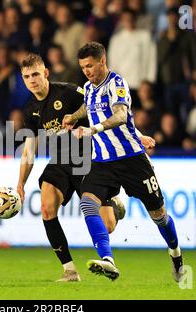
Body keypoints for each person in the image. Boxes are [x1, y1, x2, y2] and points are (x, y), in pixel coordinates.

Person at [17, 53, 155, 282]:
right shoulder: (30, 109)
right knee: (47, 207)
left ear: (45, 74)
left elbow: (108, 110)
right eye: (26, 77)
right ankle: (70, 271)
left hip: (88, 160)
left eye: (35, 74)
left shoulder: (69, 92)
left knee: (108, 226)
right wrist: (20, 183)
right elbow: (29, 150)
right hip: (60, 162)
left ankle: (113, 205)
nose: (32, 80)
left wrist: (137, 135)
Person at [63, 42, 183, 282]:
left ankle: (175, 254)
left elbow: (120, 115)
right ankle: (108, 260)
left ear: (102, 61)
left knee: (159, 215)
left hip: (132, 160)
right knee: (87, 203)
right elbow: (90, 106)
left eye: (89, 66)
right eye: (83, 67)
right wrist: (74, 117)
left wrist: (93, 130)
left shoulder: (117, 83)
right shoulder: (88, 87)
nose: (86, 71)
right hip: (102, 161)